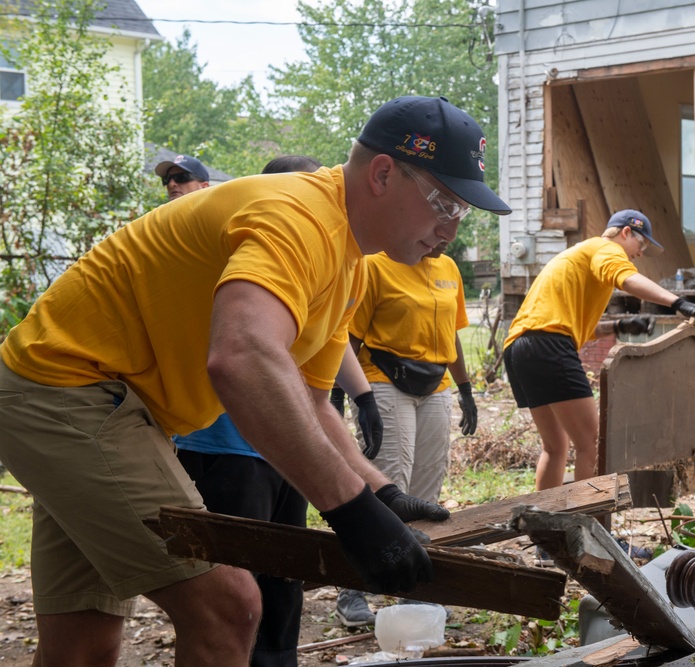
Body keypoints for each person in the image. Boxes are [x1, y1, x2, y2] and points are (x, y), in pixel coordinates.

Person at [0, 95, 510, 666]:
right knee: (228, 605)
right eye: (443, 201)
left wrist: (379, 494)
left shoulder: (348, 258)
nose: (449, 228)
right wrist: (350, 512)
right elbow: (242, 356)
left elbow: (314, 402)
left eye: (461, 211)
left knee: (81, 641)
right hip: (69, 389)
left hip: (92, 399)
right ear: (385, 173)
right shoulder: (299, 217)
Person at [172, 154, 381, 667]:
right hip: (223, 442)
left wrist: (362, 397)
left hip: (289, 445)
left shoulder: (333, 257)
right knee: (235, 585)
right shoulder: (257, 237)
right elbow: (241, 352)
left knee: (284, 576)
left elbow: (330, 343)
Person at [503, 209, 695, 493]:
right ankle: (590, 525)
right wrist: (679, 303)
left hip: (520, 348)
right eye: (642, 245)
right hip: (548, 344)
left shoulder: (581, 256)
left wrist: (620, 325)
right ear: (626, 232)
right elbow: (626, 279)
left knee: (555, 447)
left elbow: (578, 330)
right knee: (594, 444)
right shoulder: (605, 248)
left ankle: (545, 527)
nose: (639, 253)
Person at [335, 239, 477, 626]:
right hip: (382, 378)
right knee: (389, 481)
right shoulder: (376, 265)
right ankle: (353, 588)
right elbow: (347, 337)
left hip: (435, 383)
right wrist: (342, 395)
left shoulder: (449, 268)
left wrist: (465, 389)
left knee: (426, 488)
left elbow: (454, 334)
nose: (446, 236)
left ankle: (412, 588)